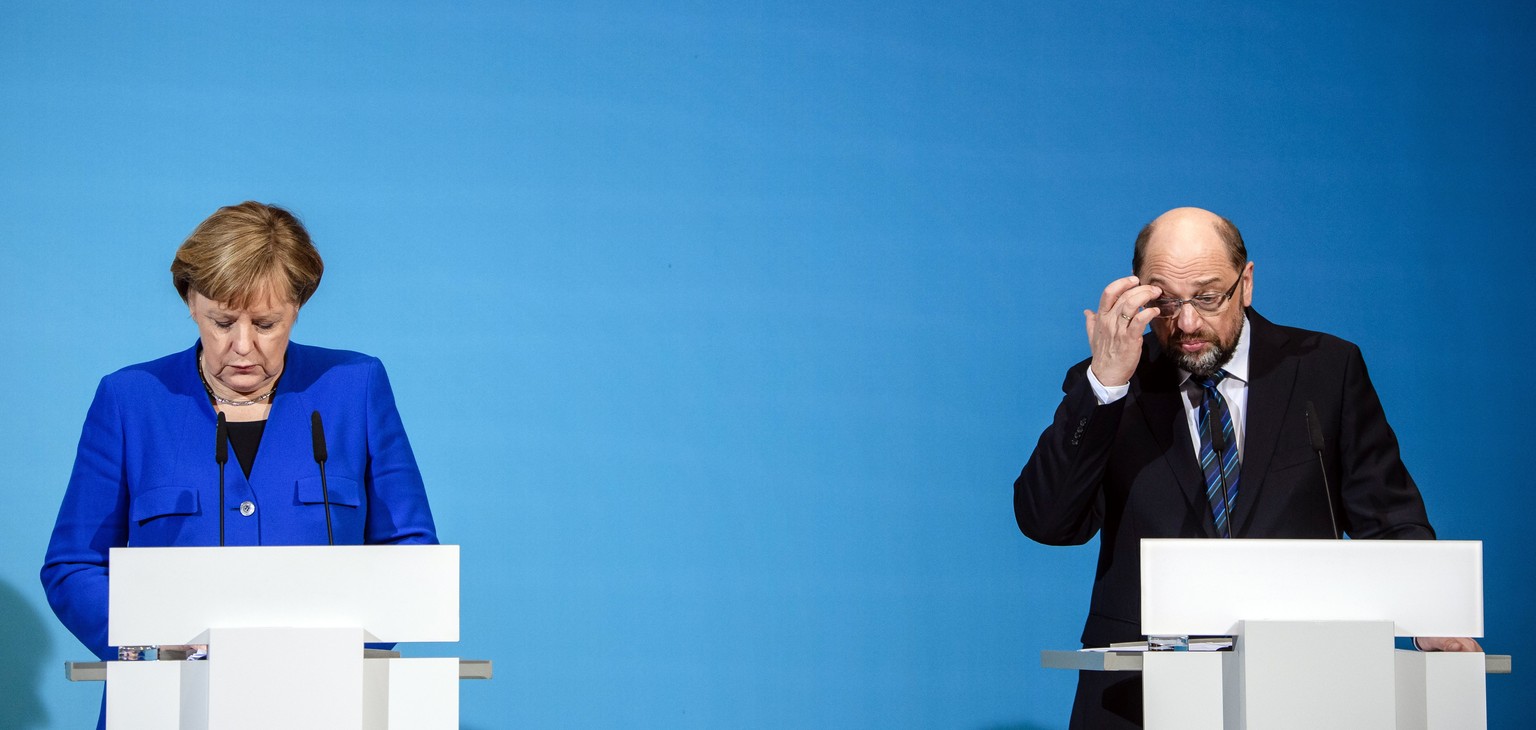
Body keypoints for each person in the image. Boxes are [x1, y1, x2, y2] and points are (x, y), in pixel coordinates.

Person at [1013, 207, 1478, 729]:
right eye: (1165, 301)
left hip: (1300, 689)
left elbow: (1391, 519)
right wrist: (1105, 384)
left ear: (1246, 283)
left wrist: (1430, 618)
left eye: (1208, 297)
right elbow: (1048, 521)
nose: (1186, 323)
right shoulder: (1114, 385)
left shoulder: (1326, 370)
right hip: (1137, 699)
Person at [40, 201, 438, 725]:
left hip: (326, 702)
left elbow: (409, 551)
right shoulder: (130, 400)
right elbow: (74, 565)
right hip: (168, 705)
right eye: (222, 321)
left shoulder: (355, 387)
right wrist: (149, 648)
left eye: (267, 323)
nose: (243, 346)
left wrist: (341, 648)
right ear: (189, 302)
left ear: (298, 306)